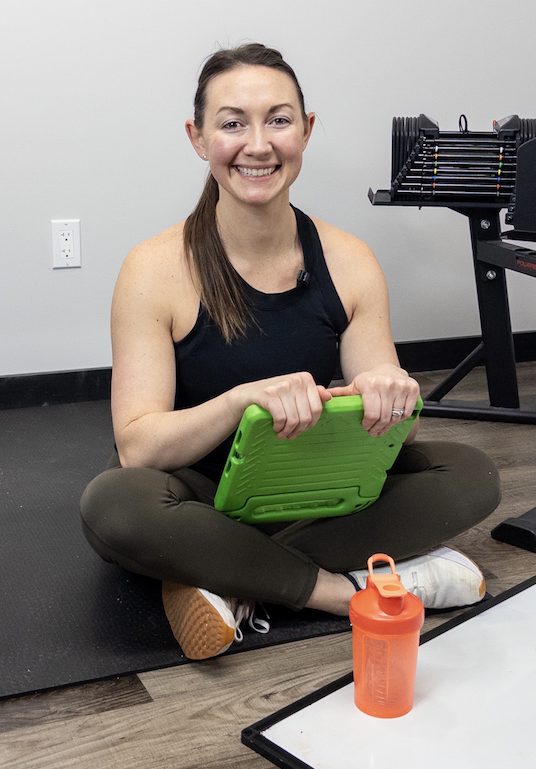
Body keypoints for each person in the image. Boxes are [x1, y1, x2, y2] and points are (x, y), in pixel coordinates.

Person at [80, 43, 501, 660]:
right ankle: (345, 589)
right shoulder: (153, 268)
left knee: (474, 474)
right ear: (198, 138)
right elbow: (138, 446)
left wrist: (392, 397)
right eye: (232, 124)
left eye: (278, 120)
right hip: (199, 490)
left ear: (305, 130)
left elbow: (400, 432)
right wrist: (241, 401)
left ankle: (225, 574)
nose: (258, 145)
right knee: (113, 504)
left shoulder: (349, 259)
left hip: (320, 487)